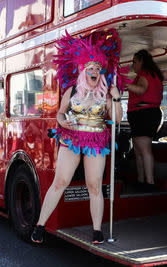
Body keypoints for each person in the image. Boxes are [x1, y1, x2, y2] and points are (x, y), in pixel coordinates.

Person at [31, 29, 126, 244]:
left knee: (94, 185)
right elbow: (60, 112)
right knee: (60, 182)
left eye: (98, 68)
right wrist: (62, 121)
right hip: (71, 140)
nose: (94, 71)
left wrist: (117, 98)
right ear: (83, 71)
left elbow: (118, 120)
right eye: (90, 68)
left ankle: (96, 231)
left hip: (96, 142)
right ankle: (39, 225)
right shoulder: (72, 91)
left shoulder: (107, 94)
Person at [125, 49, 164, 189]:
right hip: (144, 114)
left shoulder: (145, 75)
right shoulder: (153, 75)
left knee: (144, 149)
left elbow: (141, 90)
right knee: (138, 148)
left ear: (142, 61)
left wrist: (125, 85)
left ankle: (149, 182)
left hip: (144, 114)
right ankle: (141, 180)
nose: (132, 65)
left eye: (134, 62)